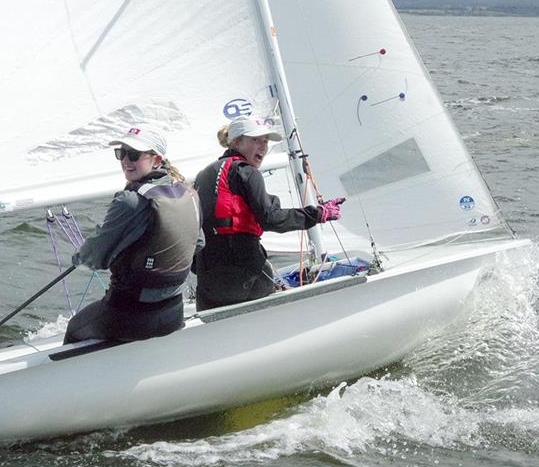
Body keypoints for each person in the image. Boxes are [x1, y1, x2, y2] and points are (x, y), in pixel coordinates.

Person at [63, 125, 203, 344]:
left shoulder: (130, 201)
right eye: (122, 153)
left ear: (157, 160)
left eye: (135, 154)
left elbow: (95, 258)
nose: (126, 160)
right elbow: (199, 244)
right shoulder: (189, 194)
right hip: (173, 311)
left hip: (130, 314)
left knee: (74, 328)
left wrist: (79, 258)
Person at [193, 116, 345, 311]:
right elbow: (271, 219)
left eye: (265, 141)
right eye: (256, 140)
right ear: (236, 141)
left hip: (208, 281)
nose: (263, 147)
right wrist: (317, 214)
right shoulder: (246, 171)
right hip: (243, 274)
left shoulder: (202, 175)